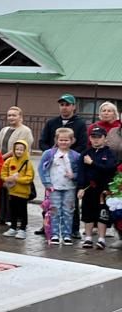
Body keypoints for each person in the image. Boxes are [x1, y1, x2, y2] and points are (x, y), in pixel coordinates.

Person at [39, 94, 88, 238]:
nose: (64, 107)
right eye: (62, 104)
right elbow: (42, 141)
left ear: (73, 107)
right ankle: (47, 226)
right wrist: (51, 153)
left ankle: (73, 229)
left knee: (70, 201)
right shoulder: (51, 122)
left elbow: (83, 144)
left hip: (70, 165)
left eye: (67, 104)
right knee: (50, 199)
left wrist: (69, 155)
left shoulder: (80, 124)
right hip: (53, 165)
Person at [38, 127, 82, 245]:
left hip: (70, 188)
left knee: (68, 211)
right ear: (56, 140)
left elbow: (81, 171)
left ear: (72, 141)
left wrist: (74, 175)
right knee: (54, 210)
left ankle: (67, 234)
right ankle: (55, 234)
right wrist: (47, 183)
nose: (63, 142)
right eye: (61, 140)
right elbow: (42, 169)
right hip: (54, 188)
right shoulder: (49, 154)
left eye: (66, 140)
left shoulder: (76, 156)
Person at [0, 106, 34, 227]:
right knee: (2, 191)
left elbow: (19, 148)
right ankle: (2, 216)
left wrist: (4, 157)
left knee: (15, 192)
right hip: (3, 164)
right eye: (9, 115)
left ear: (20, 117)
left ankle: (15, 218)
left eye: (14, 115)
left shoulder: (25, 131)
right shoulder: (4, 130)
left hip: (17, 166)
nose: (11, 117)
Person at [79, 124, 117, 249]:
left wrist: (93, 163)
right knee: (88, 214)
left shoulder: (109, 153)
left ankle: (101, 239)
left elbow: (110, 169)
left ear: (105, 138)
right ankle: (88, 238)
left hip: (103, 190)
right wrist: (80, 188)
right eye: (93, 137)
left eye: (99, 137)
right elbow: (81, 172)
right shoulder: (85, 153)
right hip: (89, 189)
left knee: (102, 214)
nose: (96, 139)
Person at [0, 139, 35, 238]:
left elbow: (29, 178)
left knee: (22, 211)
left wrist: (17, 179)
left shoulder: (28, 163)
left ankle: (23, 229)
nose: (19, 151)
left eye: (21, 149)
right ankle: (13, 227)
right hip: (12, 191)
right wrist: (7, 178)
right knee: (13, 210)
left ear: (25, 151)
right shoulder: (9, 161)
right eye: (17, 149)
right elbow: (3, 172)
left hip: (23, 192)